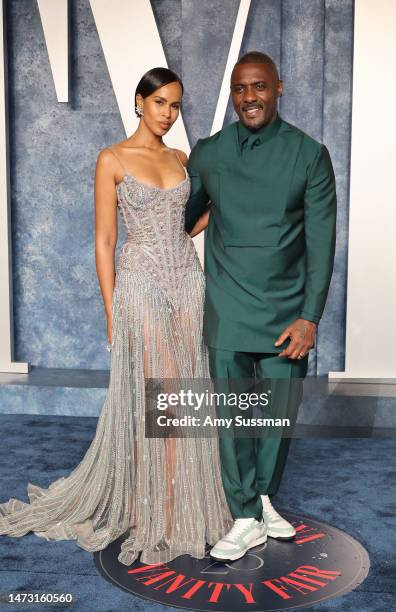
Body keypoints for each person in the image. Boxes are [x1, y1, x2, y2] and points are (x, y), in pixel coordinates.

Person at [0, 67, 232, 566]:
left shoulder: (180, 158)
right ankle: (154, 506)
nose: (168, 114)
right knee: (156, 390)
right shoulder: (112, 159)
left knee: (185, 386)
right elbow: (105, 243)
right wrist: (111, 311)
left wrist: (225, 204)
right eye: (161, 103)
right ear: (139, 101)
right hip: (140, 282)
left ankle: (178, 503)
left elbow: (185, 225)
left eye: (176, 105)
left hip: (188, 281)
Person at [185, 51, 337, 561]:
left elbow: (322, 243)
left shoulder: (309, 154)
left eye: (259, 87)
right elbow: (182, 219)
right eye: (240, 89)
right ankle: (245, 514)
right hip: (228, 307)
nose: (249, 97)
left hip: (287, 312)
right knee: (233, 417)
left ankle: (263, 498)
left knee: (274, 418)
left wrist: (310, 316)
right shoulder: (208, 153)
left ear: (279, 88)